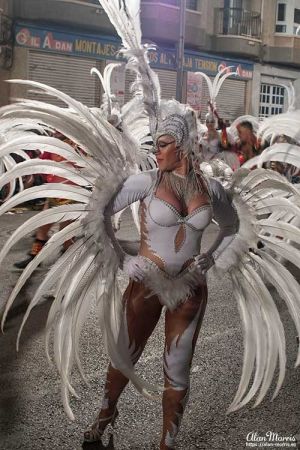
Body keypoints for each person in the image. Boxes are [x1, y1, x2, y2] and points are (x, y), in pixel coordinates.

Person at [83, 106, 238, 449]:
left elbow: (232, 226)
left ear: (182, 146)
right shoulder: (146, 181)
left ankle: (167, 443)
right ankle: (106, 413)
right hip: (147, 283)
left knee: (178, 370)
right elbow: (99, 212)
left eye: (163, 144)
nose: (156, 150)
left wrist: (209, 258)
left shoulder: (209, 189)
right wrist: (123, 259)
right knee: (124, 357)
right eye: (155, 144)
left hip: (191, 289)